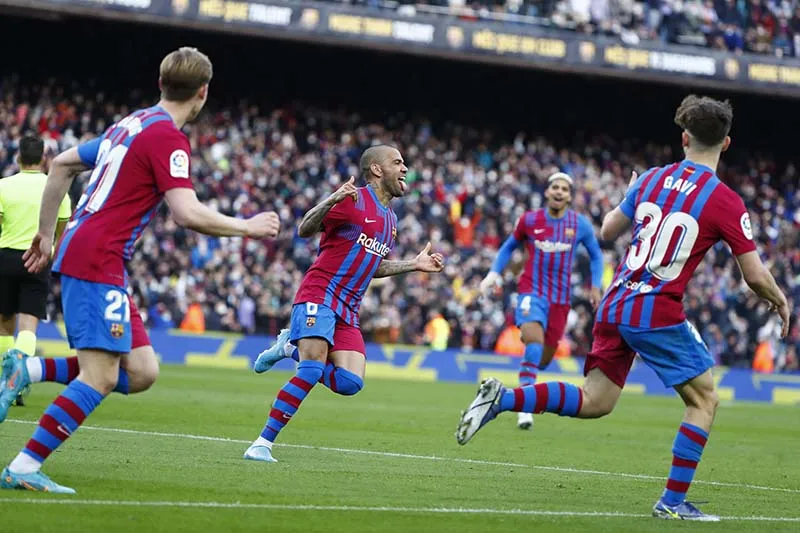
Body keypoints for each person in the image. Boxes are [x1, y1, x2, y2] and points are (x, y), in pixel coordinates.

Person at [454, 95, 791, 521]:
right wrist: (780, 300)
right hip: (656, 309)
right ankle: (672, 503)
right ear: (726, 144)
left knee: (595, 400)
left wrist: (630, 193)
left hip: (616, 303)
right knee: (705, 400)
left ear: (684, 138)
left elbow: (608, 230)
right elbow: (755, 275)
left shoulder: (650, 179)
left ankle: (503, 399)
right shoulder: (725, 201)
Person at [0, 47, 280, 494]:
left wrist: (48, 233)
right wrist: (246, 226)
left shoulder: (131, 123)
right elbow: (186, 212)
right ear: (203, 92)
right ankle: (24, 465)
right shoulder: (167, 137)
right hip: (98, 256)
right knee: (101, 376)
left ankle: (26, 371)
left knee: (142, 370)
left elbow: (64, 164)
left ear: (161, 83)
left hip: (98, 254)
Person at [243, 145, 445, 463]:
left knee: (350, 382)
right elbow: (304, 229)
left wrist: (413, 264)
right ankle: (261, 444)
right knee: (311, 371)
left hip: (348, 309)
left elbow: (374, 265)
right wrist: (331, 200)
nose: (405, 168)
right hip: (320, 294)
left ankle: (288, 348)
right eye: (397, 162)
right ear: (376, 169)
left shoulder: (390, 221)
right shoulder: (353, 201)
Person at [478, 172, 603, 430]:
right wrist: (493, 274)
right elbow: (508, 247)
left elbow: (596, 256)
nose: (559, 192)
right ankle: (524, 408)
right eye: (555, 187)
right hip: (531, 292)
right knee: (533, 340)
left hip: (560, 301)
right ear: (547, 192)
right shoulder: (530, 220)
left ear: (570, 196)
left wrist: (595, 285)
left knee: (543, 358)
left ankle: (531, 360)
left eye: (564, 189)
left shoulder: (580, 225)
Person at [0, 135, 72, 412]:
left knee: (4, 324)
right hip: (39, 259)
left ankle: (4, 379)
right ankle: (18, 382)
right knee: (28, 324)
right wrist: (49, 253)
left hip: (6, 257)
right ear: (44, 159)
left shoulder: (4, 186)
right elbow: (62, 229)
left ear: (18, 157)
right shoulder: (56, 188)